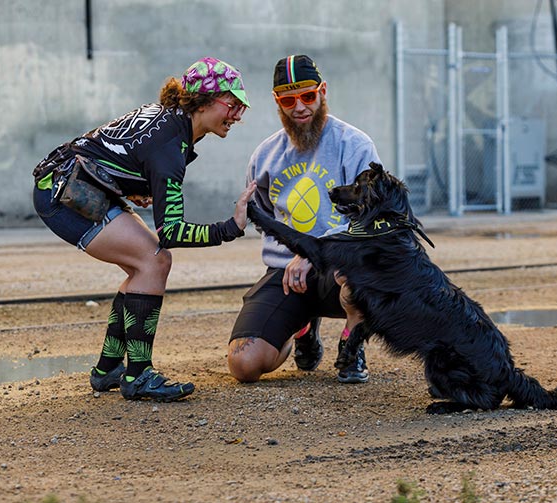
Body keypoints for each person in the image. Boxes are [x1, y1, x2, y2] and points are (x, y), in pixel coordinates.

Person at [32, 57, 257, 401]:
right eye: (233, 104)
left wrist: (131, 182)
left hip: (68, 182)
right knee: (154, 261)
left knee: (144, 265)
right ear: (206, 101)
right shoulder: (170, 146)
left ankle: (108, 369)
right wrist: (231, 227)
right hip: (65, 194)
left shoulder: (169, 121)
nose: (238, 114)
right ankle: (138, 375)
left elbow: (114, 149)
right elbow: (173, 232)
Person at [228, 54, 380, 384]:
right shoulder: (265, 154)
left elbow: (370, 217)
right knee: (244, 364)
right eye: (288, 99)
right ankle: (302, 327)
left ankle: (352, 348)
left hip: (341, 267)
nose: (299, 107)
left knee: (364, 273)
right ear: (277, 101)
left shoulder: (354, 145)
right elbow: (263, 215)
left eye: (308, 96)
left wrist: (314, 251)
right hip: (287, 273)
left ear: (322, 91)